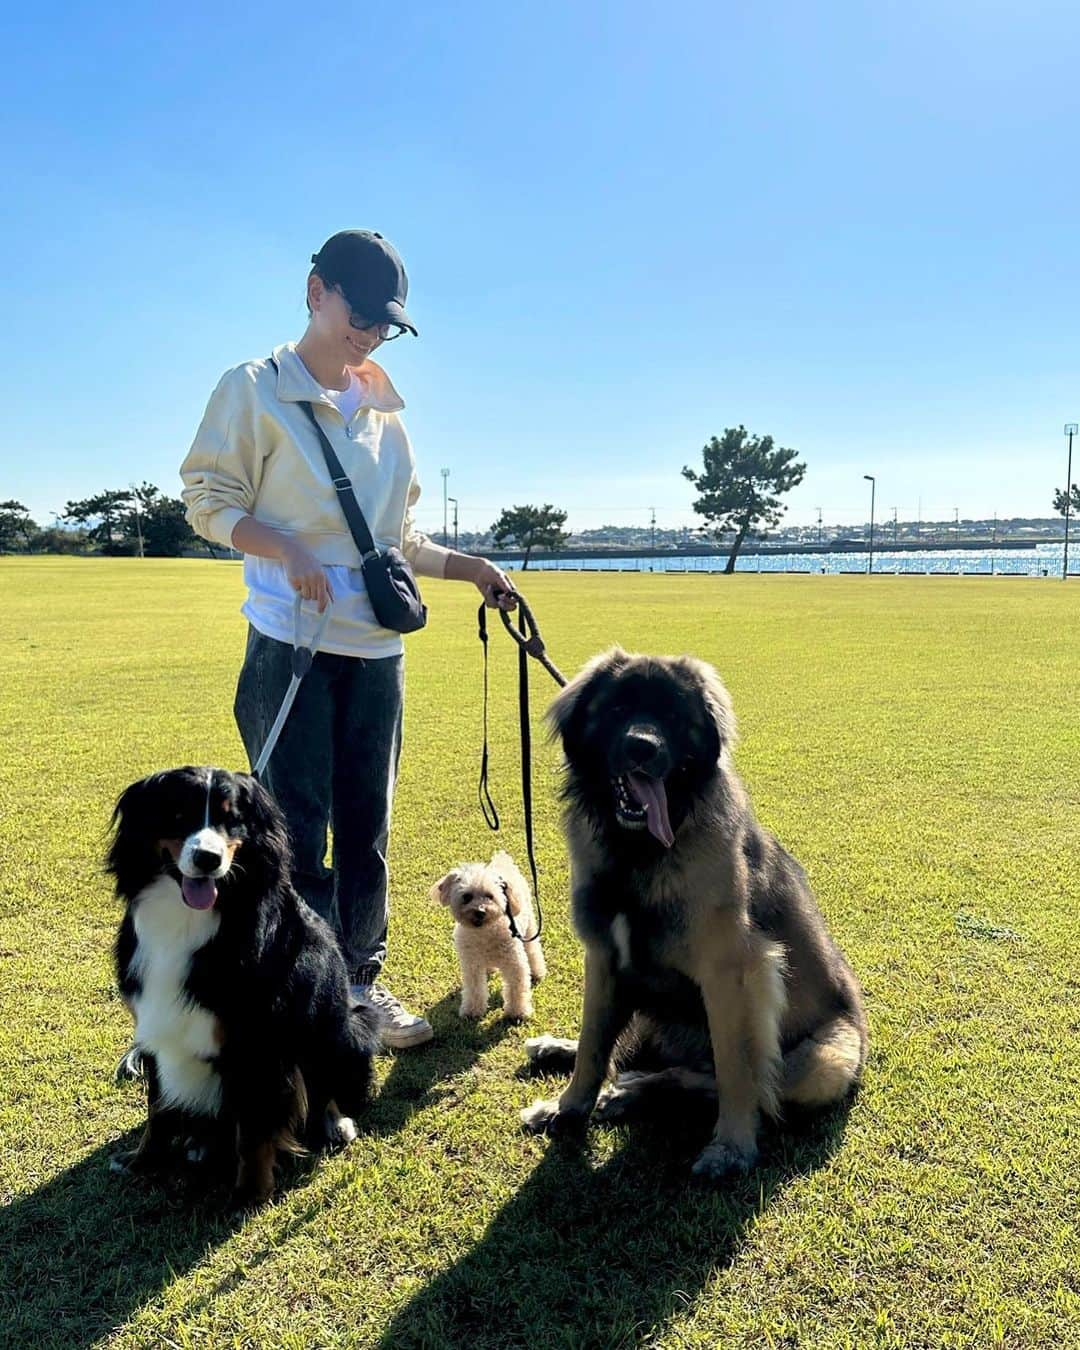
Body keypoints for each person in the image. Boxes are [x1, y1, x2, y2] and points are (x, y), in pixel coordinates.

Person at [180, 229, 515, 1048]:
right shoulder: (253, 389)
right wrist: (285, 549)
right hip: (288, 646)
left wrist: (476, 569)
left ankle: (359, 983)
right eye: (358, 311)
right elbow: (206, 499)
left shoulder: (388, 420)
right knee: (292, 826)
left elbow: (398, 541)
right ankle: (297, 987)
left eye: (385, 322)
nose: (367, 331)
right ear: (314, 291)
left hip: (377, 655)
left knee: (369, 828)